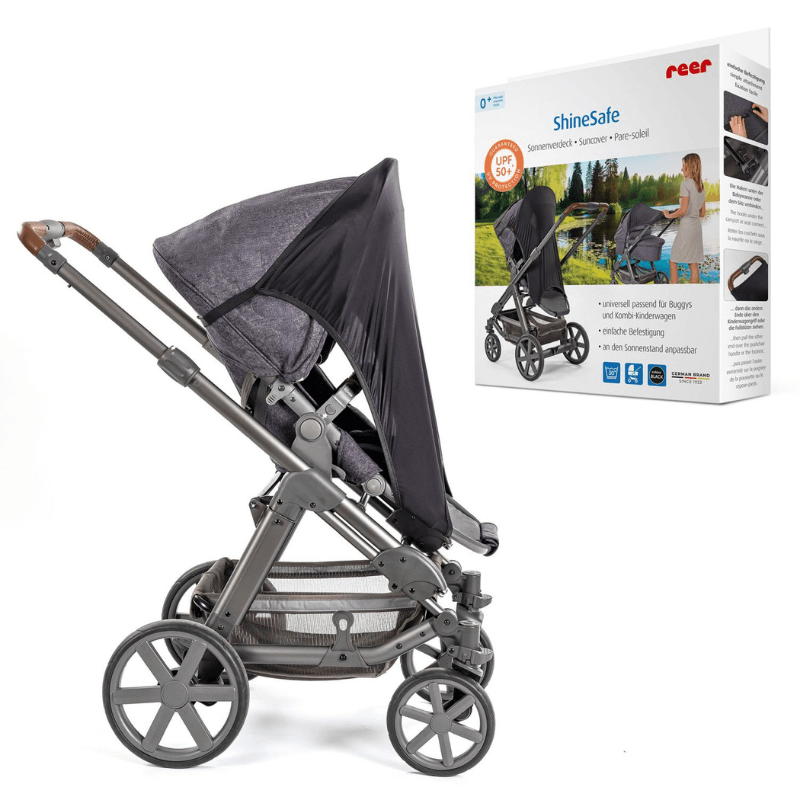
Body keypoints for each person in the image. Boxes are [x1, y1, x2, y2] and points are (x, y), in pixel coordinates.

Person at [663, 153, 705, 284]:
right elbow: (702, 213)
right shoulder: (701, 185)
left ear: (690, 167)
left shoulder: (685, 184)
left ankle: (675, 290)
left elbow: (683, 210)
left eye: (684, 166)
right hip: (696, 227)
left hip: (687, 228)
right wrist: (686, 210)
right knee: (693, 264)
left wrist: (668, 215)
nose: (681, 169)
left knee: (673, 261)